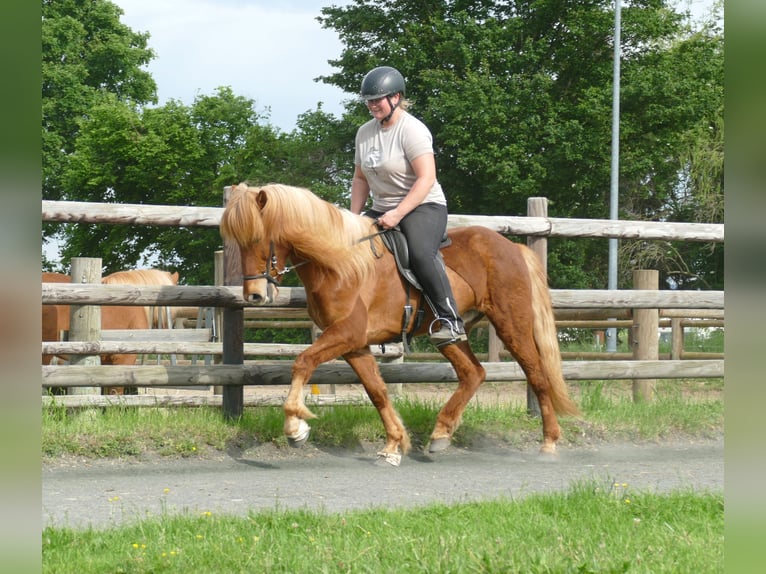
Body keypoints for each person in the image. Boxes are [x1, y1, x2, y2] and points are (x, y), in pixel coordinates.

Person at [350, 65, 467, 348]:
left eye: (378, 99)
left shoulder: (412, 130)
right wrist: (352, 219)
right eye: (369, 100)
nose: (372, 105)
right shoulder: (364, 133)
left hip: (422, 206)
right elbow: (359, 178)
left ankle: (450, 319)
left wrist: (398, 213)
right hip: (382, 208)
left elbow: (427, 178)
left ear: (396, 97)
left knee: (420, 254)